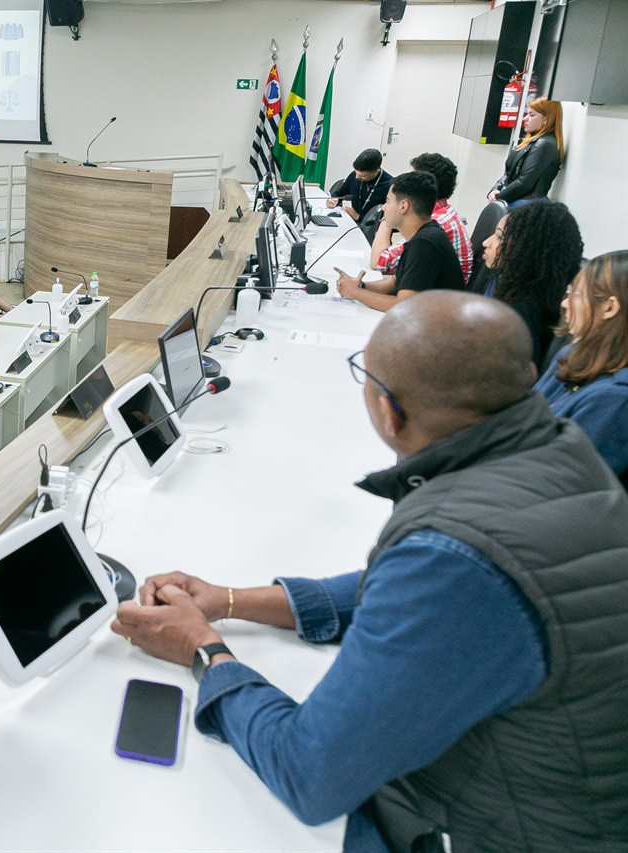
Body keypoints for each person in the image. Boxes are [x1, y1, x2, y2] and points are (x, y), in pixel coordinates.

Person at [111, 290, 628, 852]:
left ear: (389, 408)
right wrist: (231, 600)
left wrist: (204, 650)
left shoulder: (453, 553)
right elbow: (411, 591)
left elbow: (311, 773)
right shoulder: (559, 448)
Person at [535, 250, 628, 484]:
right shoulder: (572, 353)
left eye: (575, 294)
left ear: (609, 307)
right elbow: (526, 413)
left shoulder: (615, 400)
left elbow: (558, 481)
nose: (565, 303)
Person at [335, 172, 463, 312]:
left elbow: (403, 306)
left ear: (403, 206)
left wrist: (355, 293)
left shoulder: (425, 243)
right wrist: (361, 286)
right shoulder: (421, 235)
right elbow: (395, 283)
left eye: (388, 201)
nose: (383, 207)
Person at [479, 200, 584, 368]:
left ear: (526, 248)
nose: (487, 242)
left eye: (499, 236)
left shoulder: (520, 309)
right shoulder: (508, 281)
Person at [371, 153, 472, 285]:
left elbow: (379, 262)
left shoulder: (436, 222)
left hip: (441, 298)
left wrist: (388, 218)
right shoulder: (443, 210)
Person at [491, 99, 563, 205]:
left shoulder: (545, 144)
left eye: (531, 115)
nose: (525, 118)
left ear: (546, 119)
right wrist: (494, 190)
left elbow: (524, 183)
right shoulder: (532, 140)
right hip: (516, 200)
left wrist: (498, 198)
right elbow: (508, 173)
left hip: (526, 205)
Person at [326, 148, 391, 222]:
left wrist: (358, 217)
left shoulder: (389, 185)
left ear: (376, 171)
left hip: (372, 228)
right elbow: (339, 194)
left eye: (362, 176)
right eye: (356, 173)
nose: (357, 177)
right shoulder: (354, 175)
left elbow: (388, 219)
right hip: (352, 222)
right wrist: (333, 200)